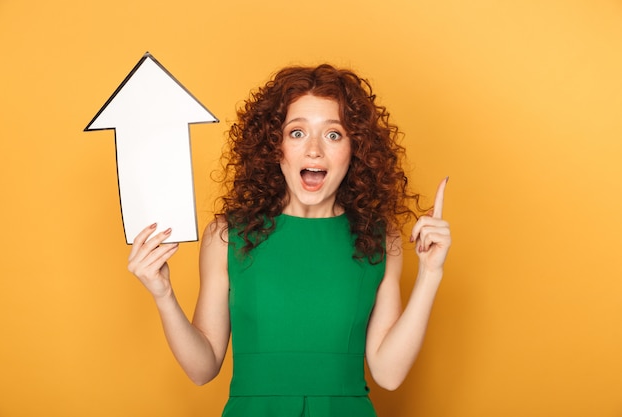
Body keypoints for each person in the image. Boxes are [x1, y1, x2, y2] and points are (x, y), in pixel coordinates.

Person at [127, 64, 451, 417]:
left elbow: (389, 374)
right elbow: (202, 368)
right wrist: (163, 294)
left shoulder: (379, 239)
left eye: (333, 135)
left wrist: (430, 274)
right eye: (296, 133)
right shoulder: (227, 235)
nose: (314, 150)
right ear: (274, 146)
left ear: (355, 148)